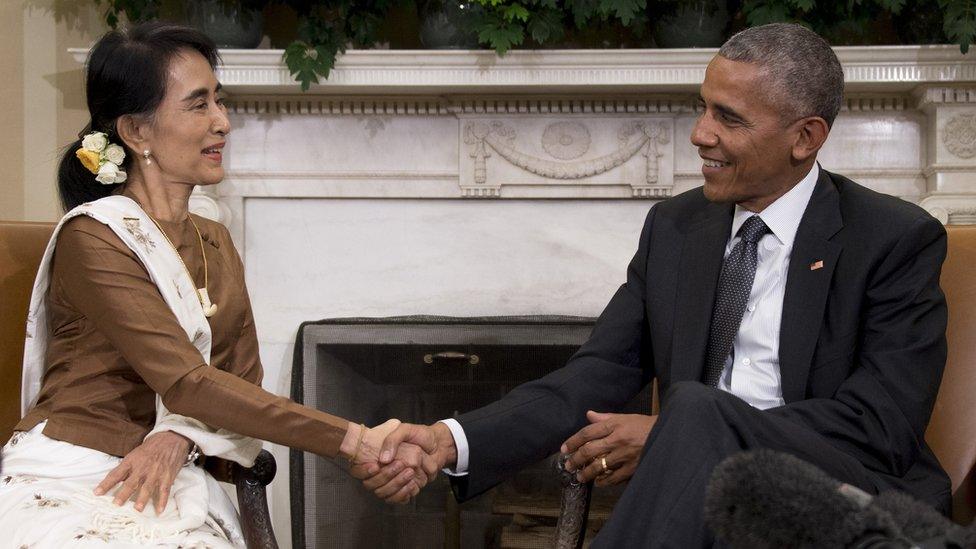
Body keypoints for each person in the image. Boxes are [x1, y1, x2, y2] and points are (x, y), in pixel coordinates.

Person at [357, 23, 951, 547]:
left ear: (805, 137)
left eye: (729, 118)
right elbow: (592, 376)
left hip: (840, 491)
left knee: (692, 408)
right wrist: (448, 439)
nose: (699, 134)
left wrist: (686, 433)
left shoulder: (893, 239)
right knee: (693, 419)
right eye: (704, 107)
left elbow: (880, 425)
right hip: (707, 499)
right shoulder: (676, 228)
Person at [0, 22, 434, 548]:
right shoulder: (95, 236)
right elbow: (188, 383)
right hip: (77, 469)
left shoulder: (214, 240)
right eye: (198, 105)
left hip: (173, 470)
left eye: (219, 102)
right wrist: (355, 440)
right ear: (137, 132)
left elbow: (241, 380)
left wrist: (178, 436)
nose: (223, 123)